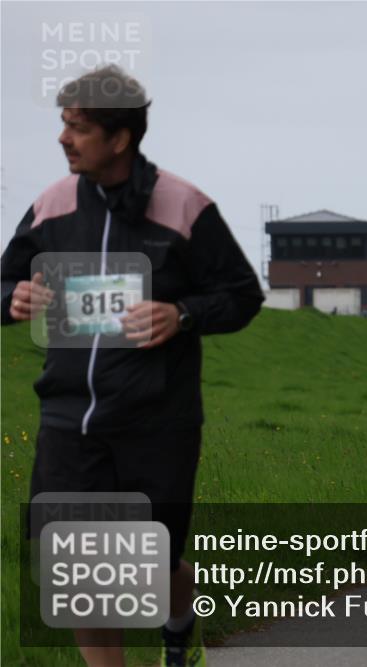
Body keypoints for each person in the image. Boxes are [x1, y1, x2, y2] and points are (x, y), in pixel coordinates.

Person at [1, 65, 264, 667]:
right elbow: (5, 280)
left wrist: (183, 314)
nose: (63, 140)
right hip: (69, 420)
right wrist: (11, 299)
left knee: (156, 556)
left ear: (119, 138)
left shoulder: (184, 206)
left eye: (78, 128)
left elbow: (242, 295)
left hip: (157, 421)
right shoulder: (51, 205)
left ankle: (177, 624)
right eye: (63, 126)